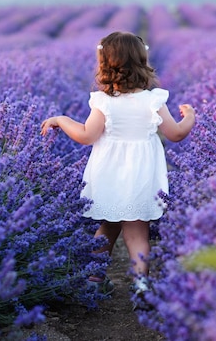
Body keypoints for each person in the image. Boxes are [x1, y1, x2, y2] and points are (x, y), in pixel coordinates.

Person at [40, 31, 195, 299]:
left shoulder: (103, 102)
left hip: (109, 172)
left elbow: (87, 136)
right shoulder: (153, 100)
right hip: (142, 174)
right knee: (137, 232)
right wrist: (190, 117)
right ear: (142, 62)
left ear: (105, 65)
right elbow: (176, 134)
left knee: (108, 227)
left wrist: (62, 119)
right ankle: (141, 285)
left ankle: (94, 279)